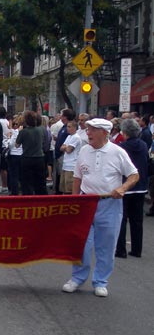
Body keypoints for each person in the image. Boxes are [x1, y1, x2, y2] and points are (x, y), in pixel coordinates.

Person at [62, 118, 139, 298]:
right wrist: (75, 201)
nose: (87, 133)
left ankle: (101, 281)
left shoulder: (118, 152)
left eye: (92, 130)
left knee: (106, 244)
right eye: (87, 129)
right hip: (86, 202)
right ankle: (77, 277)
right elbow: (77, 177)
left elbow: (134, 175)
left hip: (109, 203)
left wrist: (122, 188)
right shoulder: (84, 151)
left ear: (104, 133)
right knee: (81, 243)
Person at [115, 119, 148, 258]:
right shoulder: (144, 145)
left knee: (122, 219)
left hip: (125, 185)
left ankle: (120, 249)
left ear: (125, 133)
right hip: (140, 186)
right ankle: (136, 249)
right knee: (137, 220)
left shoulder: (121, 147)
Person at [15, 111, 47, 195]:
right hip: (39, 157)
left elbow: (17, 145)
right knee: (40, 180)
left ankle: (28, 197)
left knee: (26, 181)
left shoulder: (23, 132)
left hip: (27, 158)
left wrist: (19, 132)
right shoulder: (40, 130)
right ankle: (41, 197)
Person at [59, 120, 81, 194]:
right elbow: (61, 148)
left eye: (69, 127)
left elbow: (68, 150)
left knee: (69, 189)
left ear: (75, 128)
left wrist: (65, 147)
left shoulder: (76, 137)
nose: (67, 128)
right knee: (64, 188)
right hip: (65, 165)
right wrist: (65, 147)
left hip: (72, 166)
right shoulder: (69, 136)